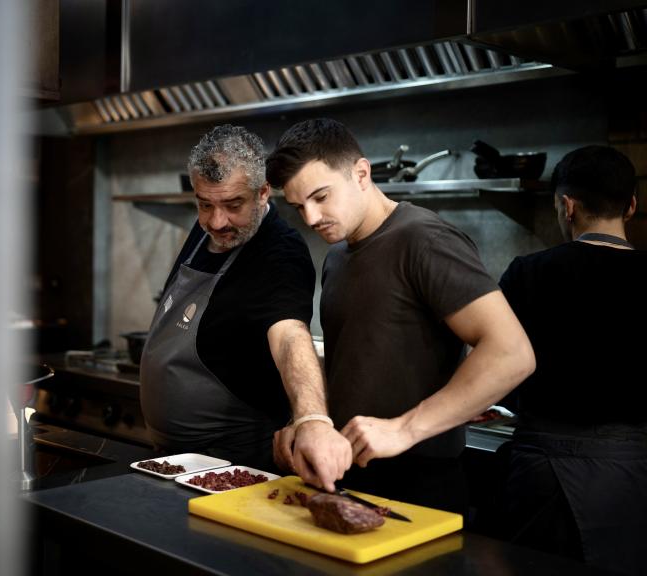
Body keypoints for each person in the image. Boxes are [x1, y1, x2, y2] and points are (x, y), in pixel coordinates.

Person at [265, 118, 535, 513]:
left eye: (321, 196)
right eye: (298, 205)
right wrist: (308, 423)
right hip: (350, 477)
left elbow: (513, 353)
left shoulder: (425, 240)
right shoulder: (338, 255)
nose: (309, 217)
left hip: (421, 482)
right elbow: (356, 361)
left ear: (361, 173)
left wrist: (404, 429)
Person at [139, 124, 327, 472]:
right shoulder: (207, 227)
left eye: (232, 204)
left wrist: (312, 418)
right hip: (173, 455)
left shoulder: (280, 252)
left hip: (233, 461)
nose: (217, 220)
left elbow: (288, 335)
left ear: (263, 193)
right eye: (204, 204)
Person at [496, 145, 646, 575]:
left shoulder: (527, 272)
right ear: (631, 206)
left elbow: (497, 369)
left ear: (567, 205)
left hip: (541, 473)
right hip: (631, 474)